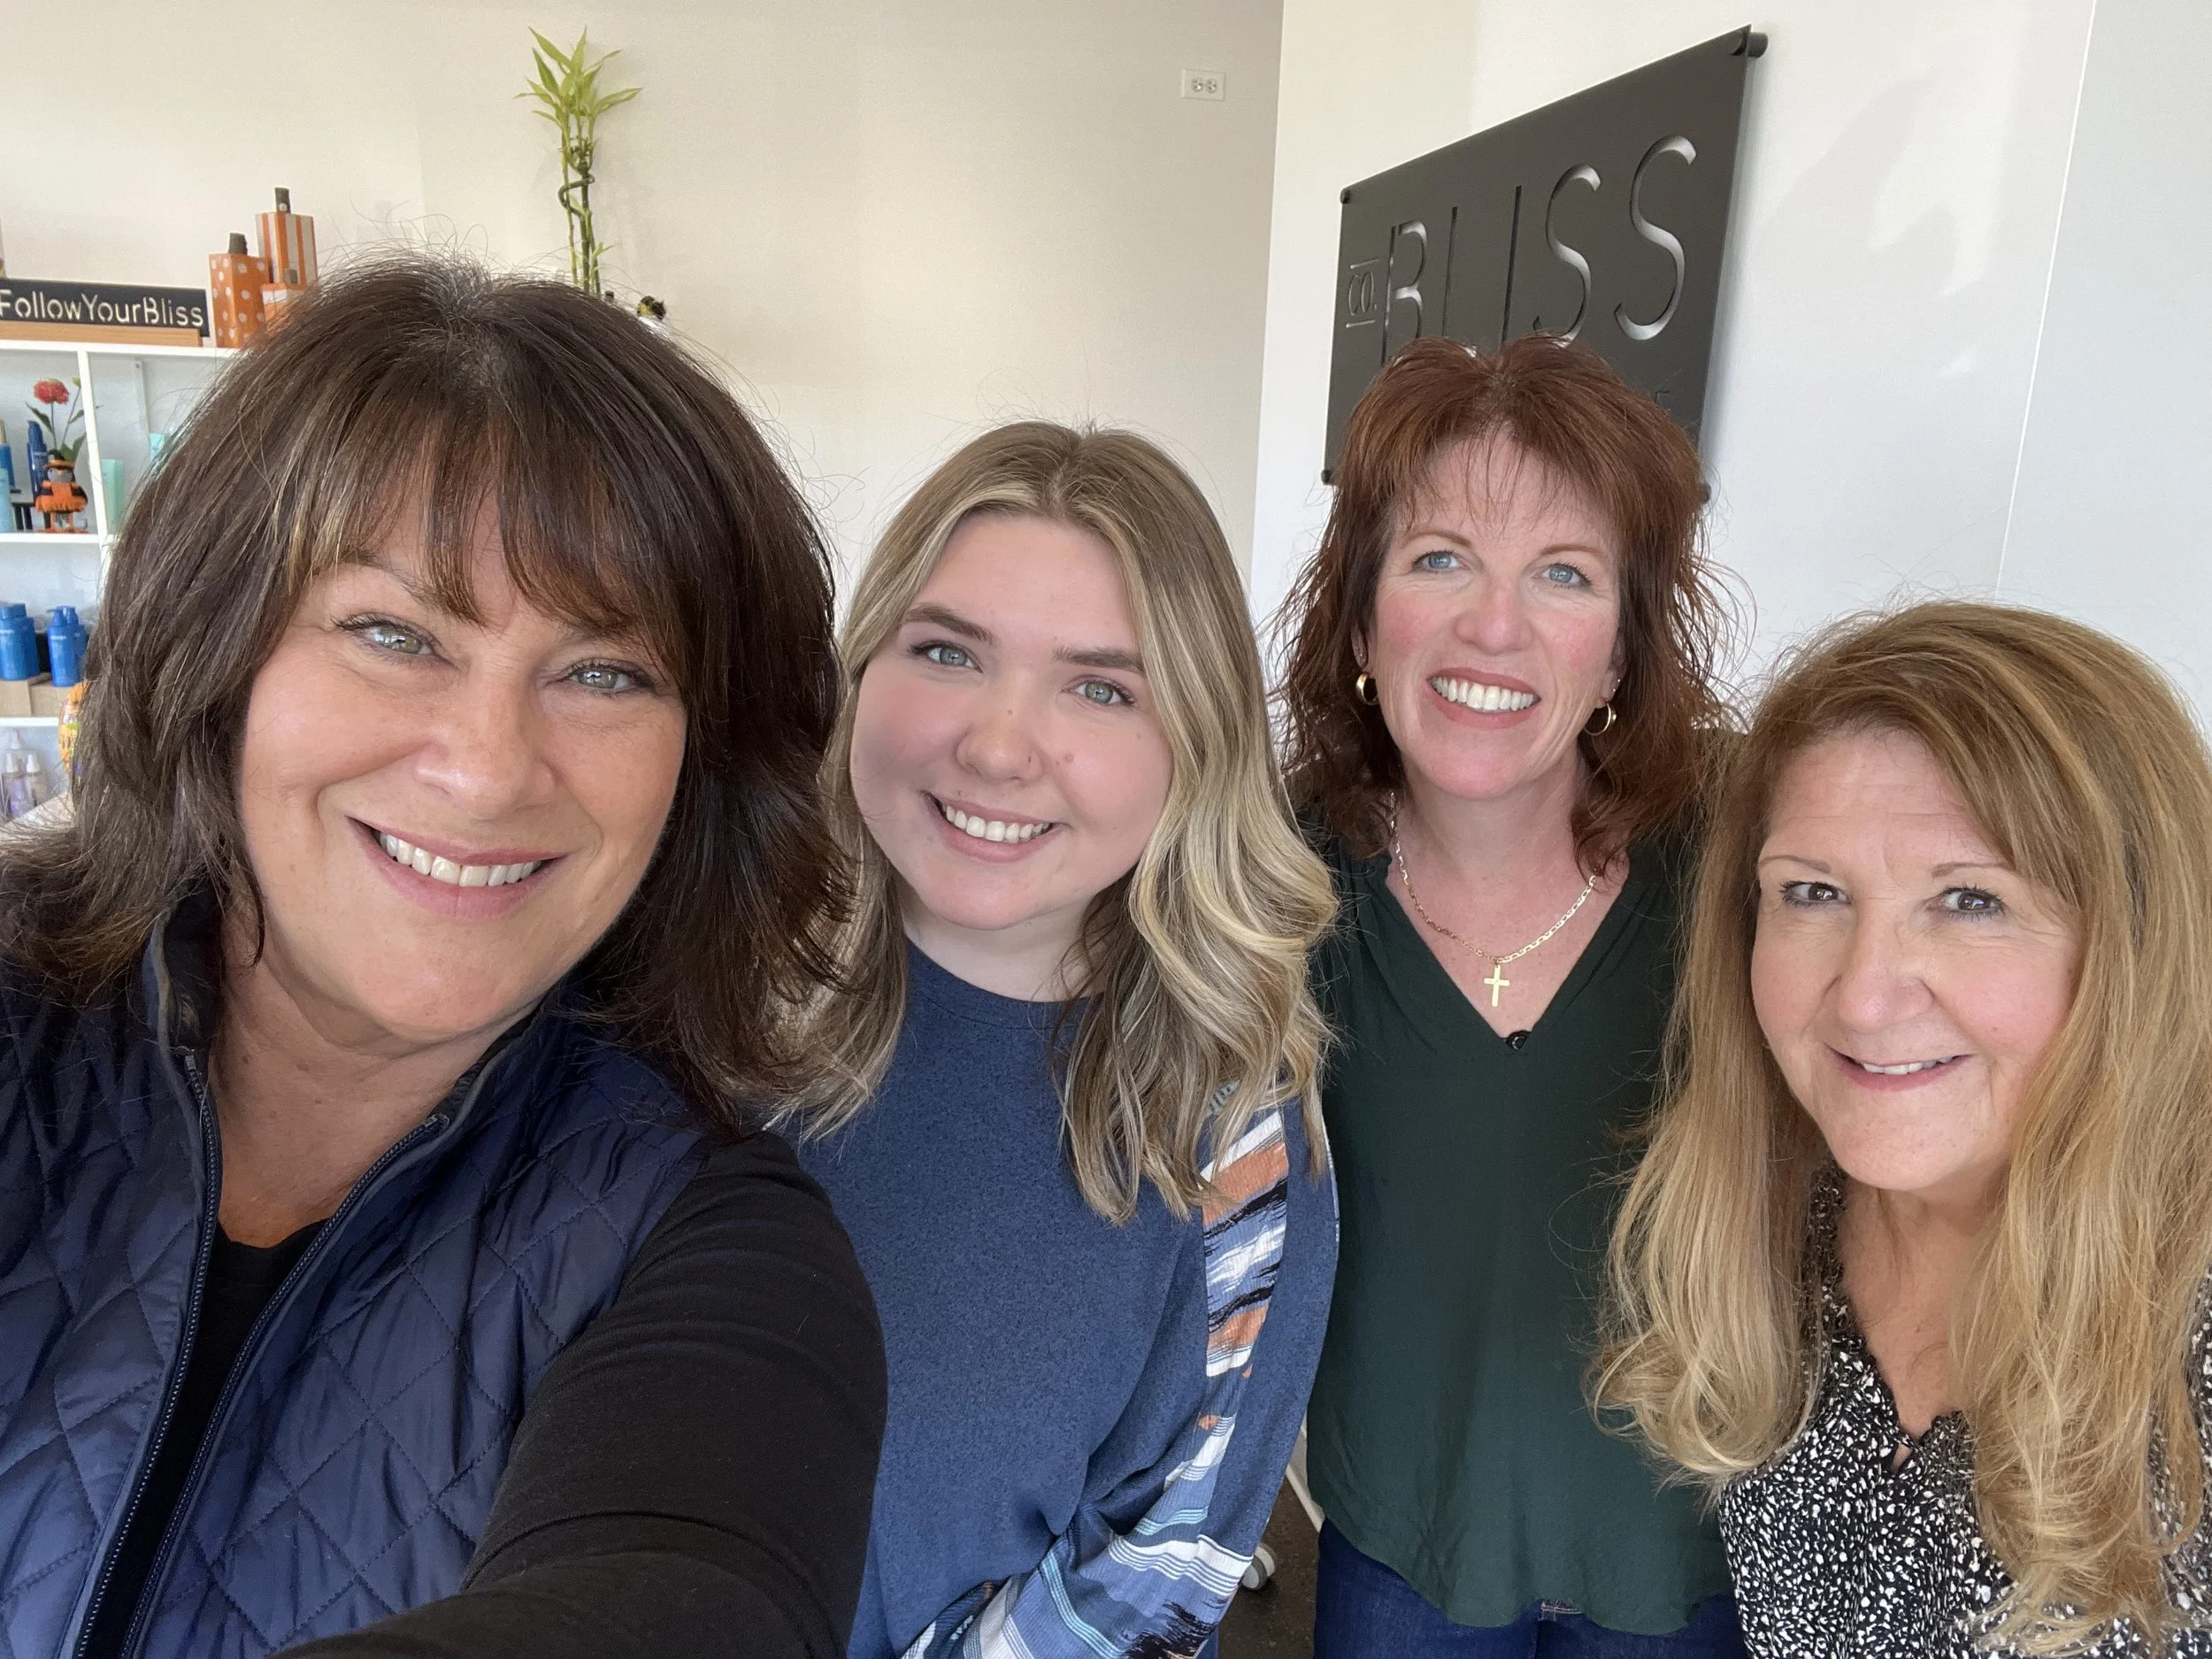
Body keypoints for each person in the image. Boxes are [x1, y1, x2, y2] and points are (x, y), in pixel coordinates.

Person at [0, 257, 885, 1659]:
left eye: (605, 671)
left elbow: (705, 1596)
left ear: (697, 761)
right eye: (392, 632)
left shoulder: (708, 1238)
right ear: (219, 651)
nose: (484, 769)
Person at [777, 421, 1338, 1659]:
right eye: (945, 650)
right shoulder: (707, 1005)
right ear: (861, 669)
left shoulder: (1228, 1128)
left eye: (1099, 685)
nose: (995, 744)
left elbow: (1157, 1575)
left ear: (1194, 746)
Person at [1601, 602, 2212, 1655]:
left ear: (2138, 946)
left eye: (1969, 901)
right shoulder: (1778, 1234)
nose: (1865, 997)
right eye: (1812, 892)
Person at [1276, 333, 1744, 1655]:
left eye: (1564, 573)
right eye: (1440, 559)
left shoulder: (1741, 878)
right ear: (1364, 618)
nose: (1496, 624)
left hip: (1685, 1553)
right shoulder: (1276, 885)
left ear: (1620, 649)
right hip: (1402, 1551)